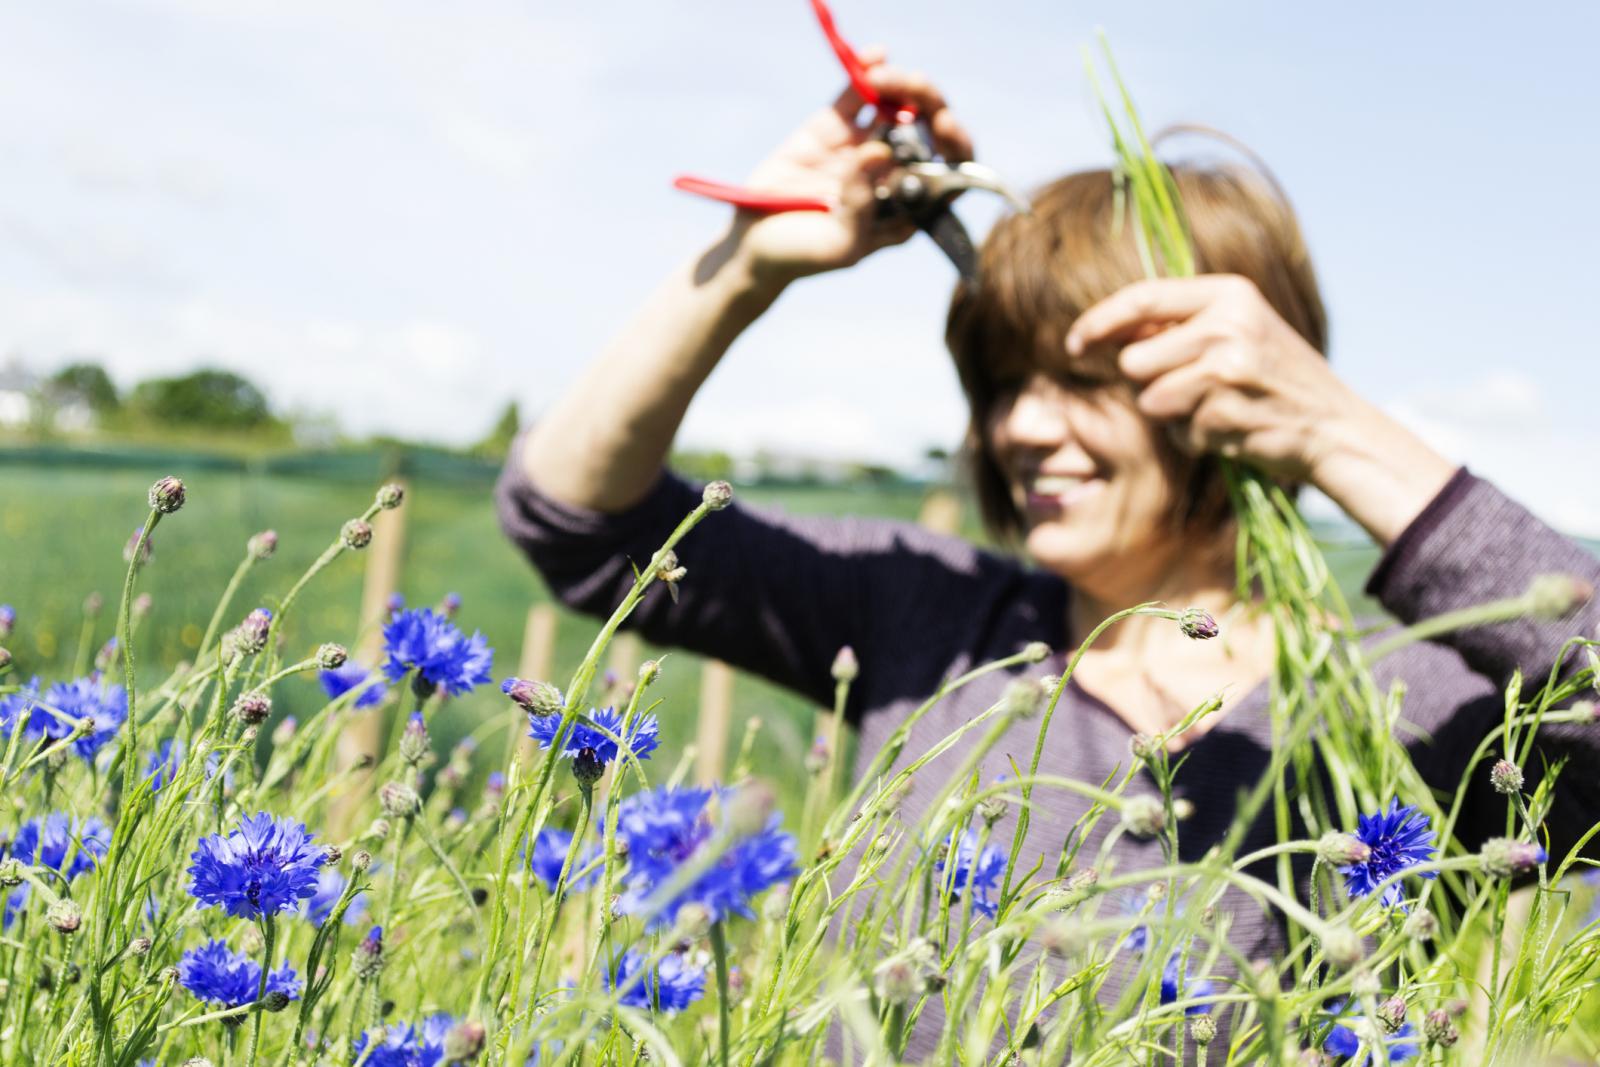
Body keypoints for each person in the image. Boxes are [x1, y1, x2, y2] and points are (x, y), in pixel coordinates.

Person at [497, 61, 1600, 1051]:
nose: (1021, 426)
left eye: (1084, 378)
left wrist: (1339, 434)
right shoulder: (932, 617)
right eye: (1003, 381)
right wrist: (745, 266)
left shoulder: (1406, 708)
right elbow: (578, 520)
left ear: (1246, 378)